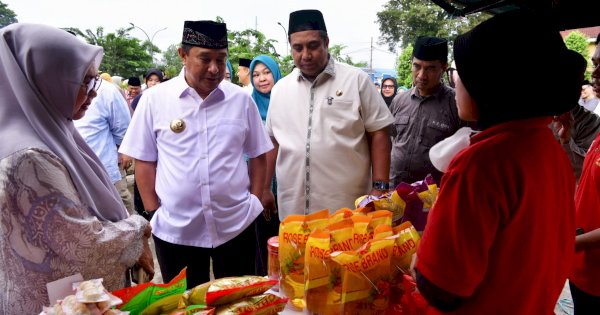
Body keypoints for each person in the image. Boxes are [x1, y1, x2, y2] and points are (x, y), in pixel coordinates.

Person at [414, 10, 580, 313]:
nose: (456, 84)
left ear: (487, 83)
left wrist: (415, 259)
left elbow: (441, 288)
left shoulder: (481, 164)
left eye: (459, 73)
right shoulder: (546, 145)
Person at [0, 23, 153, 313]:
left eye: (94, 81)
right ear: (43, 80)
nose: (93, 93)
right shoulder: (29, 156)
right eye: (83, 82)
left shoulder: (51, 132)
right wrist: (137, 228)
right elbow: (82, 244)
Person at [119, 20, 273, 288]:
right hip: (176, 231)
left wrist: (255, 202)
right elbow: (145, 161)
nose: (214, 69)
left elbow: (259, 155)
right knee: (187, 304)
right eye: (205, 59)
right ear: (183, 54)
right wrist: (154, 212)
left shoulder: (240, 100)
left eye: (221, 60)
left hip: (236, 225)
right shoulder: (156, 100)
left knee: (238, 300)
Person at [264, 9, 394, 219]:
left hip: (346, 211)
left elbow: (379, 132)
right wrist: (264, 188)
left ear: (326, 42)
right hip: (294, 214)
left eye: (313, 45)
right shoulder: (280, 89)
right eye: (297, 48)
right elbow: (272, 141)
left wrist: (380, 187)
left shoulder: (356, 80)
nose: (305, 55)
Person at [389, 36, 467, 186]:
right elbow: (388, 144)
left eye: (430, 68)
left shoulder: (457, 104)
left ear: (443, 68)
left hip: (433, 198)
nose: (421, 75)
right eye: (417, 66)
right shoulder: (399, 101)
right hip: (394, 192)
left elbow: (465, 156)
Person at [569, 32, 600, 314]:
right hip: (582, 269)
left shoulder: (589, 122)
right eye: (596, 63)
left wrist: (567, 243)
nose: (596, 73)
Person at [74, 72, 135, 214]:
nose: (92, 94)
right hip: (76, 171)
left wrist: (123, 153)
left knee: (120, 206)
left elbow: (123, 128)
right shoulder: (61, 89)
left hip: (106, 165)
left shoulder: (108, 91)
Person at [248, 54, 282, 275]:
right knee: (263, 240)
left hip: (288, 181)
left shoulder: (287, 102)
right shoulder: (247, 104)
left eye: (267, 72)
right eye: (256, 74)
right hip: (259, 184)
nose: (262, 79)